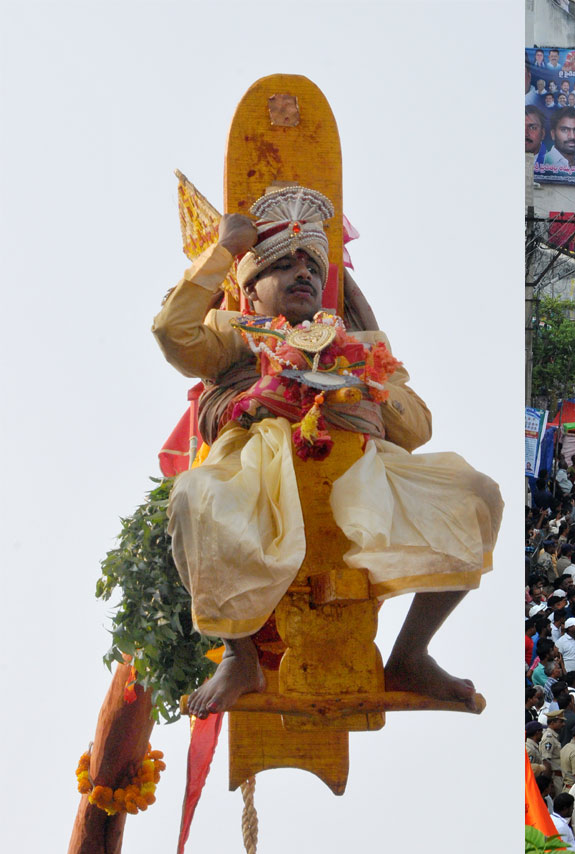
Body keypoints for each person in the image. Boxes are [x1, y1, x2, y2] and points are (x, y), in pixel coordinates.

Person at [155, 188, 501, 716]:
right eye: (283, 266)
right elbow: (171, 332)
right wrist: (225, 249)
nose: (304, 274)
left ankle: (409, 654)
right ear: (250, 294)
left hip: (359, 477)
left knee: (476, 496)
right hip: (260, 475)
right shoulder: (235, 333)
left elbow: (418, 426)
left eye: (313, 268)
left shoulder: (350, 344)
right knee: (192, 498)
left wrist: (369, 380)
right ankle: (238, 656)